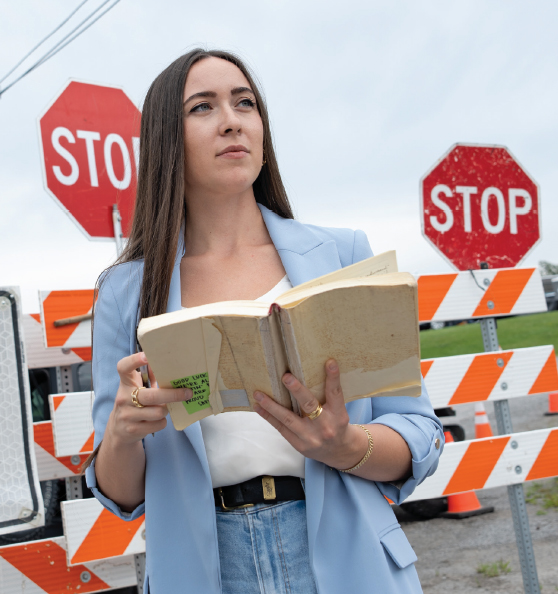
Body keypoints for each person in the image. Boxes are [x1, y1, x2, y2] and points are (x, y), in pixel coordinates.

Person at [85, 49, 443, 594]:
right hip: (205, 571)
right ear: (165, 140)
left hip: (350, 561)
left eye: (245, 102)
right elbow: (122, 495)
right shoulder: (124, 292)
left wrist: (344, 445)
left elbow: (420, 431)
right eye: (202, 107)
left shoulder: (341, 254)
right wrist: (121, 434)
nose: (232, 119)